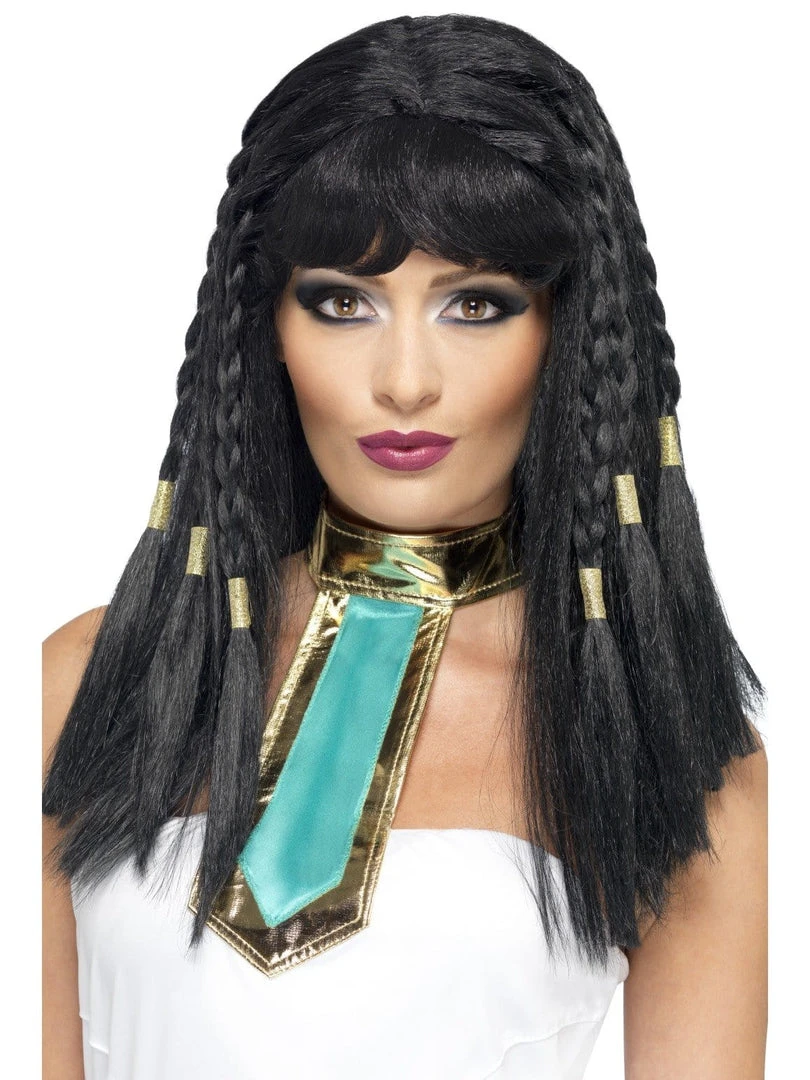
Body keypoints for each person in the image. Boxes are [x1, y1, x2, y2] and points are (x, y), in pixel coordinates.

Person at [42, 12, 768, 1079]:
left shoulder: (665, 740)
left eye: (476, 304)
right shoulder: (86, 683)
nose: (407, 382)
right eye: (344, 301)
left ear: (562, 332)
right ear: (267, 328)